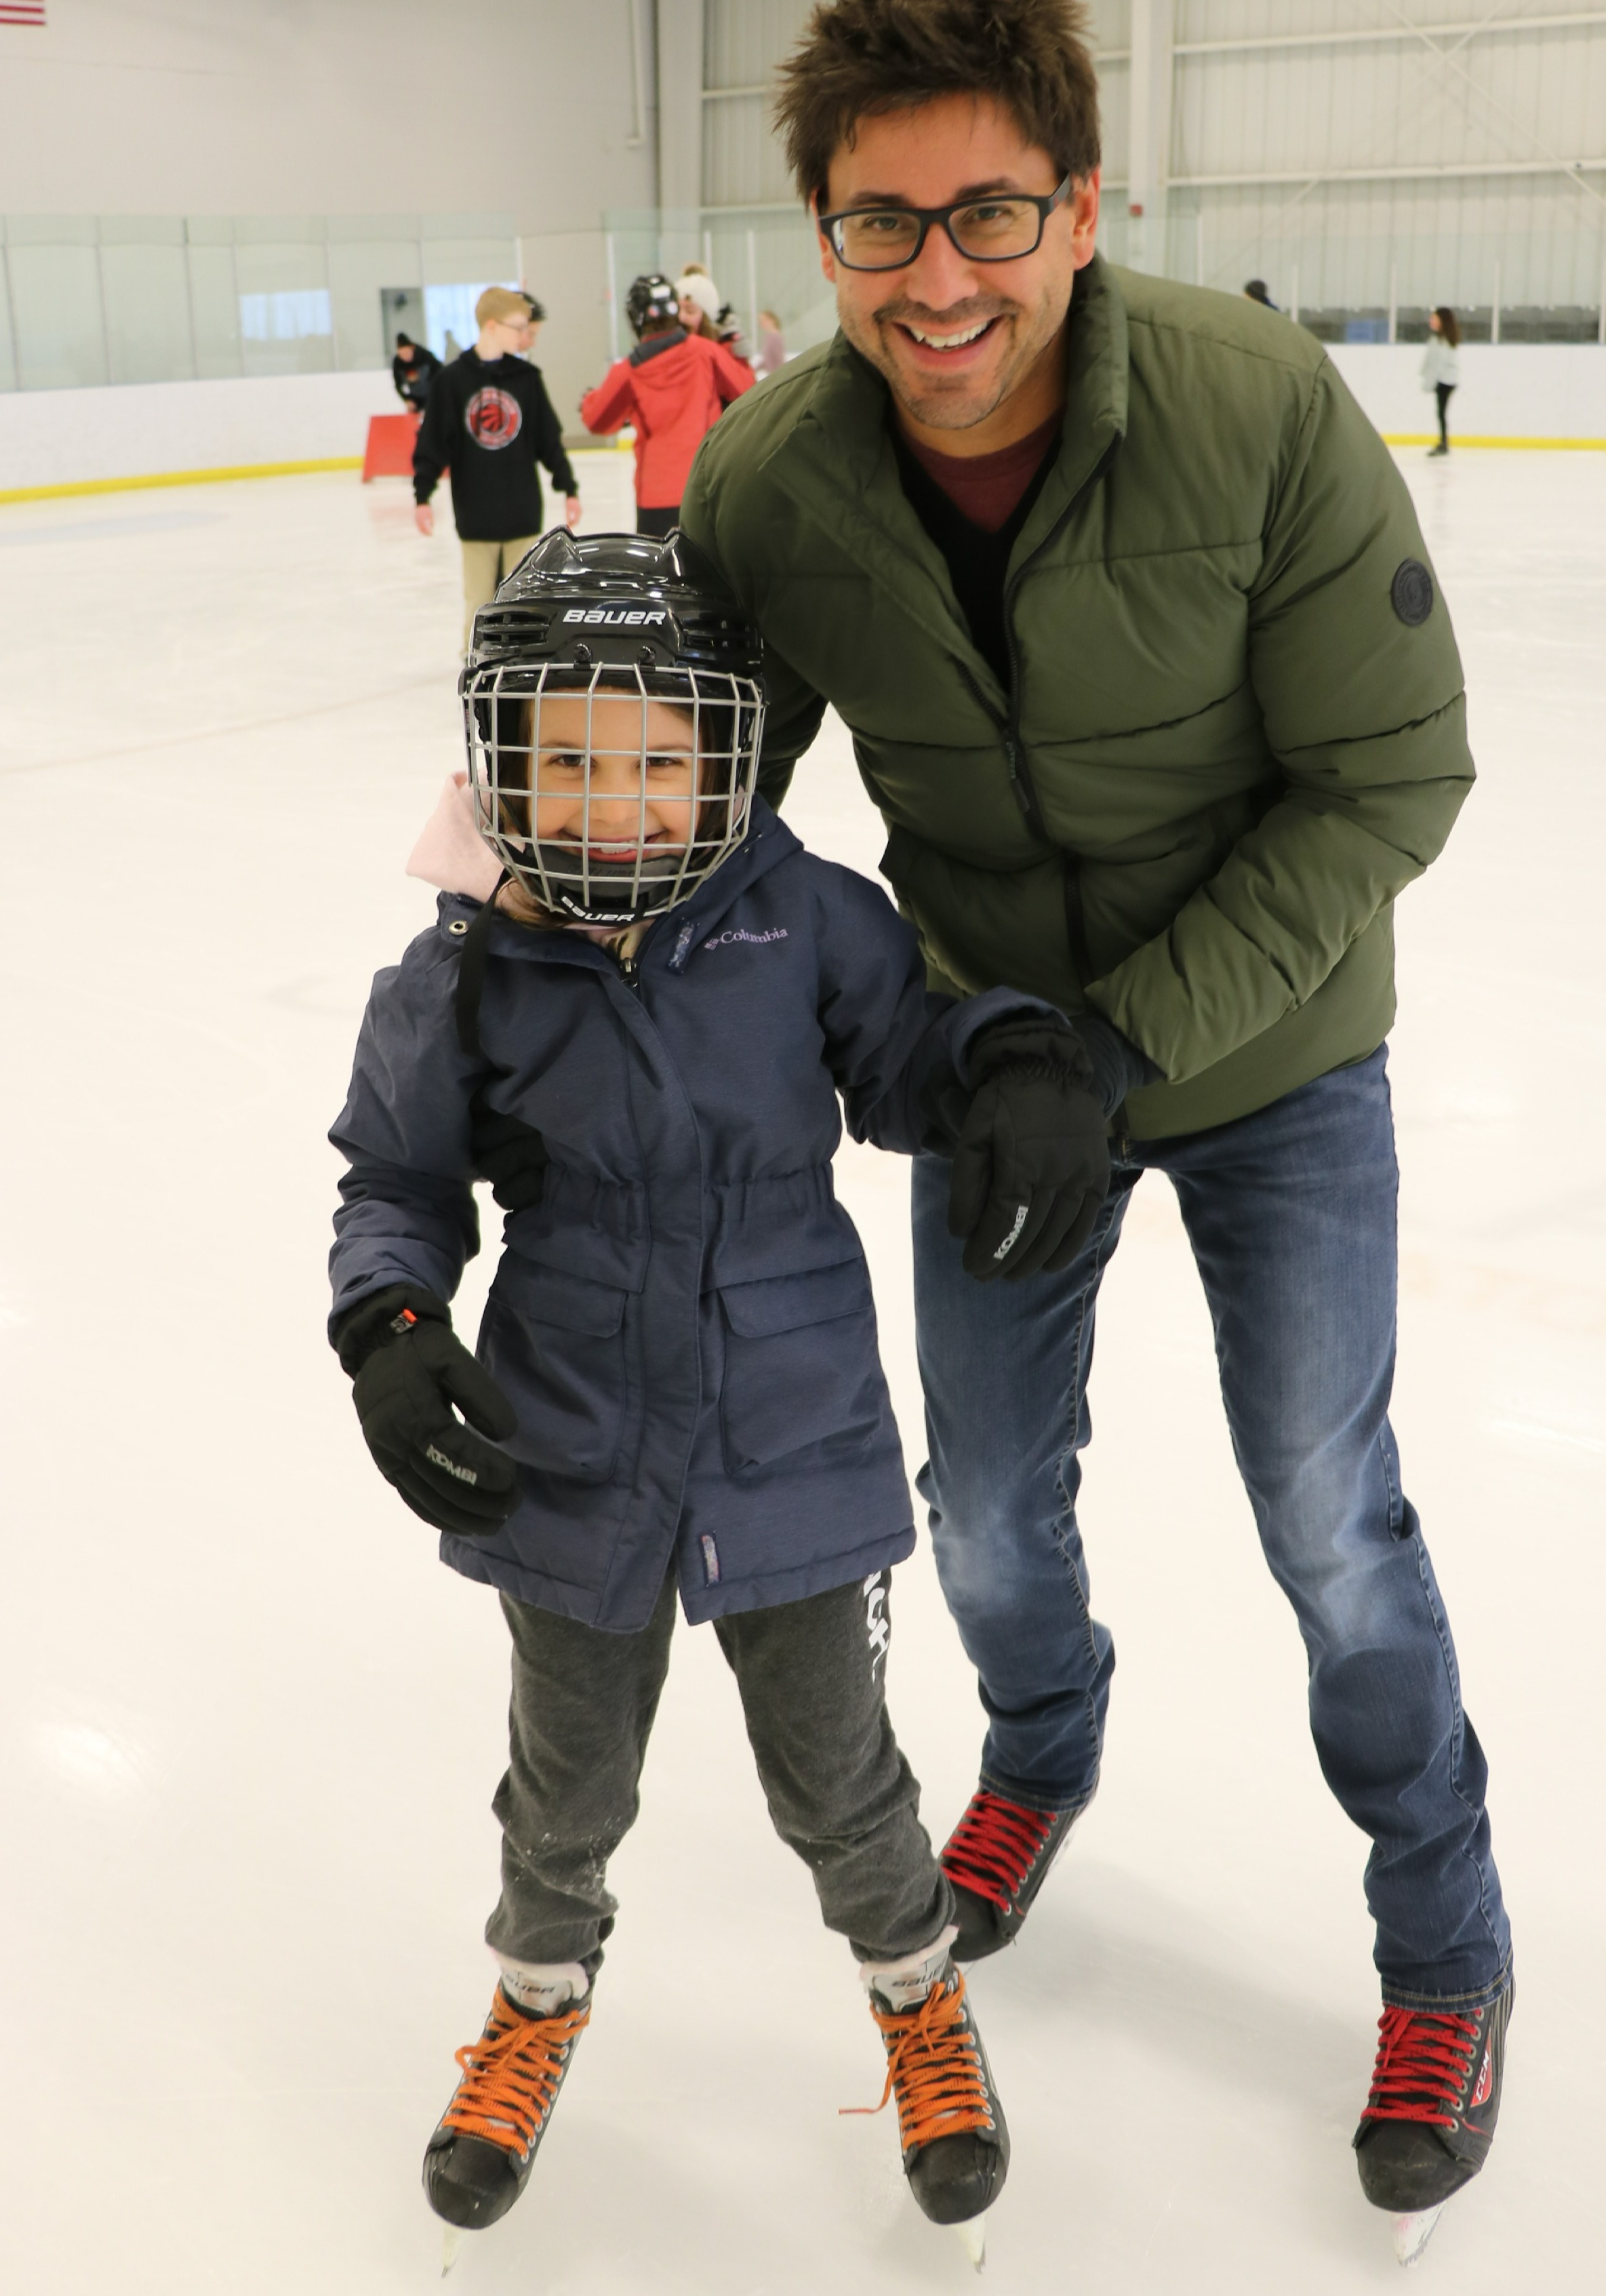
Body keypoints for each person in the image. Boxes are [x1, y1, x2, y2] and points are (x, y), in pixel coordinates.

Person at [680, 0, 1512, 2259]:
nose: (934, 279)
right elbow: (698, 816)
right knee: (982, 1510)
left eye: (986, 215)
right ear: (818, 232)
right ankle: (1037, 1754)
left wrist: (1121, 1041)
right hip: (979, 1055)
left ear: (1078, 202)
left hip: (1262, 1059)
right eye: (877, 223)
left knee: (1323, 1504)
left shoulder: (1251, 411)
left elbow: (1385, 779)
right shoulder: (774, 480)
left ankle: (1441, 1935)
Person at [327, 530, 1117, 2257]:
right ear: (504, 759)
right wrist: (388, 1322)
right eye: (573, 762)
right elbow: (393, 1177)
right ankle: (532, 2005)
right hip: (571, 1450)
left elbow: (915, 1060)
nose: (617, 801)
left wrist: (1011, 1054)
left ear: (730, 755)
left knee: (840, 1780)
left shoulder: (802, 919)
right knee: (566, 1783)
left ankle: (918, 1996)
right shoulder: (461, 967)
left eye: (662, 760)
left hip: (793, 1438)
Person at [412, 287, 582, 648]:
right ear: (492, 325)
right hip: (476, 516)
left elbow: (547, 439)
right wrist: (422, 495)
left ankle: (522, 654)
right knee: (479, 599)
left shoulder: (527, 378)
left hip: (522, 511)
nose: (525, 335)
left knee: (522, 598)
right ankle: (476, 657)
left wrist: (568, 487)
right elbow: (432, 444)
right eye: (518, 327)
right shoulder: (452, 381)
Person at [580, 274, 752, 534]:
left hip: (656, 497)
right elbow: (748, 392)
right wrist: (732, 346)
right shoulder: (706, 352)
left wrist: (589, 400)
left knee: (662, 574)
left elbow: (597, 420)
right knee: (713, 573)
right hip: (707, 487)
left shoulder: (628, 371)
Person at [1422, 307, 1461, 455]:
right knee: (1441, 413)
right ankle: (1444, 442)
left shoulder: (1443, 341)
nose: (1431, 321)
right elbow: (1430, 361)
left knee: (1441, 413)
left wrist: (1429, 383)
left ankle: (1444, 444)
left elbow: (1439, 364)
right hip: (1444, 380)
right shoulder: (1439, 339)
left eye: (1434, 318)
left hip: (1446, 381)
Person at [392, 330, 440, 412]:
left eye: (407, 353)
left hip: (432, 394)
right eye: (402, 355)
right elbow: (398, 385)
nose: (405, 357)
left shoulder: (425, 356)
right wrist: (406, 399)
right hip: (415, 396)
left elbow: (440, 374)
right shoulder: (398, 363)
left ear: (412, 348)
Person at [755, 307, 788, 375]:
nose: (761, 324)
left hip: (777, 375)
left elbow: (779, 359)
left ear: (772, 320)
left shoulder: (776, 337)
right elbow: (767, 360)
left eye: (764, 321)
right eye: (760, 322)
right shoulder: (768, 337)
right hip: (771, 375)